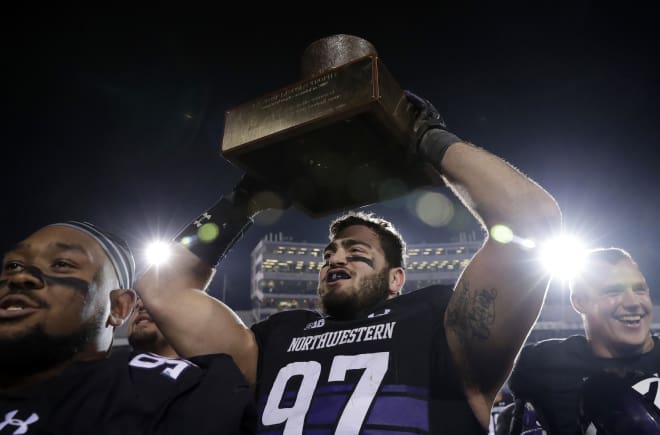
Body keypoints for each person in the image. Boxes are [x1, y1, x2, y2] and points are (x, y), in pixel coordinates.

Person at [136, 90, 562, 433]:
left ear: (397, 278)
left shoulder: (436, 321)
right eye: (329, 255)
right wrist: (244, 201)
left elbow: (533, 222)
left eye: (357, 254)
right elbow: (160, 289)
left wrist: (428, 140)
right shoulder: (278, 336)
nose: (336, 259)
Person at [0, 221, 255, 434]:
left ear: (119, 307)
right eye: (12, 265)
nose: (19, 276)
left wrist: (244, 200)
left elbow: (163, 290)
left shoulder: (173, 390)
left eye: (63, 263)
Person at [508, 247, 660, 435]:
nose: (633, 302)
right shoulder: (542, 365)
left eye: (640, 290)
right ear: (579, 302)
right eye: (613, 291)